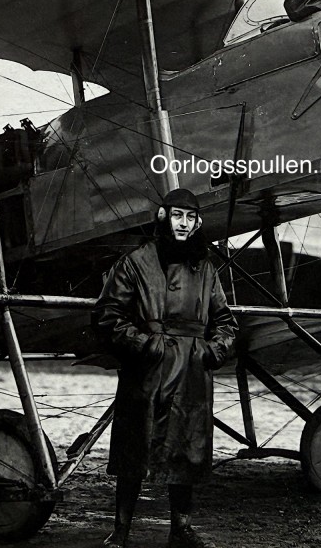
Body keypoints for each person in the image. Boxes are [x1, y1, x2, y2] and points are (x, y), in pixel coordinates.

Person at [93, 188, 238, 548]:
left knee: (186, 448)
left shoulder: (205, 268)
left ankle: (181, 528)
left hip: (191, 370)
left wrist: (210, 351)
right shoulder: (135, 262)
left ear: (198, 223)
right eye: (177, 216)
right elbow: (108, 315)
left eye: (190, 217)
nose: (183, 224)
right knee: (135, 449)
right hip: (148, 370)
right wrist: (146, 345)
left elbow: (225, 321)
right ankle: (121, 530)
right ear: (163, 217)